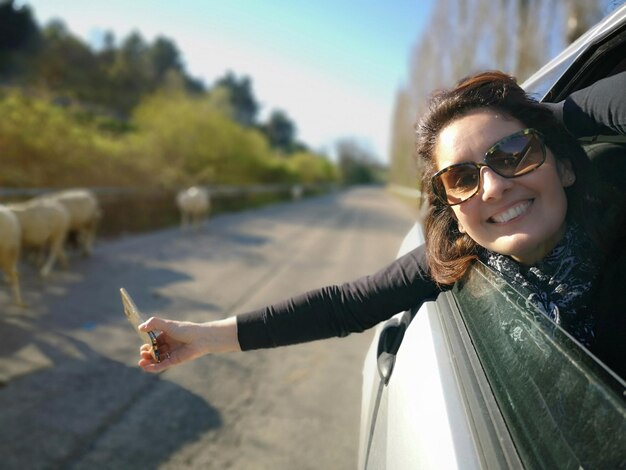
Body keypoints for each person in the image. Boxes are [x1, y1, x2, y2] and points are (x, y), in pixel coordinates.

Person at [138, 70, 626, 379]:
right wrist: (203, 337)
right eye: (461, 177)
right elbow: (344, 305)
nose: (494, 188)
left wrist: (551, 116)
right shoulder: (459, 258)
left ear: (564, 166)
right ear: (451, 208)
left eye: (515, 153)